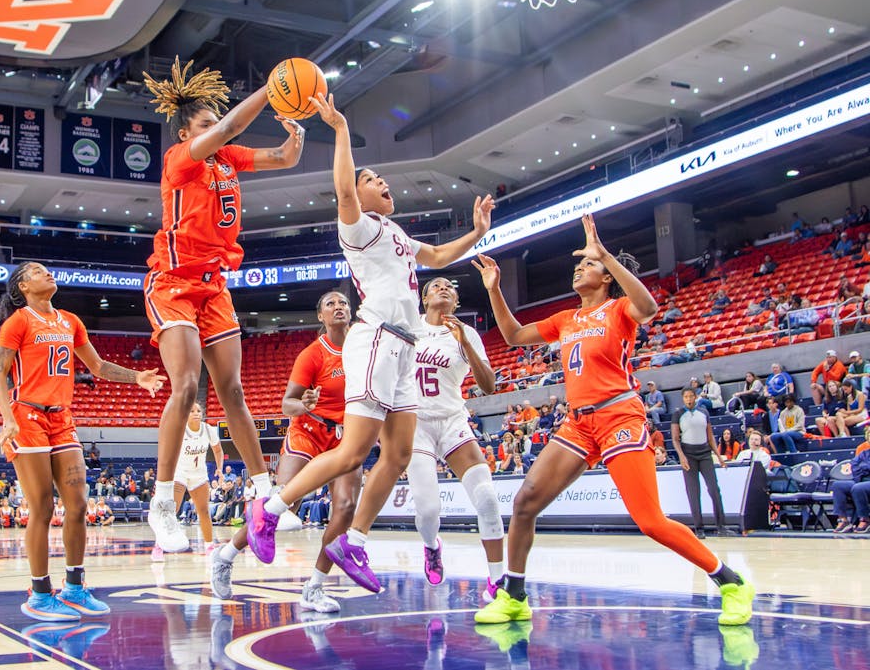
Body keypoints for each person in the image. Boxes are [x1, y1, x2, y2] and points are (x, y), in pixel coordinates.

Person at [244, 91, 496, 594]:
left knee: (398, 454)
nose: (382, 183)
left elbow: (440, 254)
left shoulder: (396, 231)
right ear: (360, 195)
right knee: (355, 450)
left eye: (381, 180)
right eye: (373, 180)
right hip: (378, 337)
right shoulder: (357, 228)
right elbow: (343, 189)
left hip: (402, 347)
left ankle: (352, 541)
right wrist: (338, 130)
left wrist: (476, 233)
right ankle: (267, 509)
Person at [471, 214, 753, 627]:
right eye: (580, 263)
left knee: (650, 521)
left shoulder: (620, 308)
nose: (578, 268)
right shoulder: (565, 320)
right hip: (578, 423)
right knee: (525, 501)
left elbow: (650, 307)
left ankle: (731, 583)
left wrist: (603, 252)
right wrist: (495, 290)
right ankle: (514, 595)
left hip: (618, 414)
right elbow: (513, 336)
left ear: (606, 277)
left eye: (588, 265)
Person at [141, 57, 305, 553]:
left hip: (214, 286)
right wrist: (274, 87)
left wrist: (294, 139)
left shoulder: (228, 160)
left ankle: (263, 490)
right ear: (188, 132)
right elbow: (234, 123)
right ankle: (163, 503)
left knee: (233, 390)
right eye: (206, 125)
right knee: (188, 386)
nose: (217, 130)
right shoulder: (180, 160)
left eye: (215, 124)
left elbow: (282, 159)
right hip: (172, 282)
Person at [0, 261, 166, 621]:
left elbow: (98, 367)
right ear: (23, 286)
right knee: (42, 508)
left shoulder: (70, 320)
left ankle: (74, 587)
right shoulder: (18, 321)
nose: (47, 273)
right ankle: (39, 593)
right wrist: (8, 419)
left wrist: (137, 378)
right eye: (37, 271)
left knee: (79, 505)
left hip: (62, 418)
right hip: (28, 417)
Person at [212, 291, 361, 613]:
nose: (338, 307)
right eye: (330, 303)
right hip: (309, 429)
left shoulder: (363, 347)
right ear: (320, 316)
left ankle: (315, 587)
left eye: (343, 303)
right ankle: (225, 556)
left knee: (346, 507)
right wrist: (304, 403)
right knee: (282, 501)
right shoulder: (312, 354)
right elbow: (287, 403)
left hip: (347, 435)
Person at [403, 277, 503, 598]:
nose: (443, 288)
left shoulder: (468, 333)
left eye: (449, 286)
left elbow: (489, 386)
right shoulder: (408, 326)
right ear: (424, 298)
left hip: (452, 421)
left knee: (487, 498)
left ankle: (498, 582)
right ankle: (432, 546)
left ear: (457, 300)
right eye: (436, 286)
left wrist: (467, 344)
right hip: (415, 425)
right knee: (429, 511)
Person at [152, 401, 224, 562]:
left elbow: (218, 450)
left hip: (199, 474)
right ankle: (158, 546)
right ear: (186, 414)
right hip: (180, 473)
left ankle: (209, 546)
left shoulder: (208, 430)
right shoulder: (180, 430)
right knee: (170, 512)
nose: (196, 413)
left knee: (204, 511)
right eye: (192, 411)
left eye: (198, 410)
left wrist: (219, 468)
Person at [671, 388, 728, 539]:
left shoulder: (704, 412)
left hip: (704, 454)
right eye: (686, 397)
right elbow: (675, 439)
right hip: (688, 454)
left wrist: (719, 456)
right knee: (693, 492)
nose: (689, 399)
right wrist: (681, 456)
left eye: (691, 396)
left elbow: (710, 437)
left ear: (695, 397)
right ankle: (699, 528)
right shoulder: (678, 414)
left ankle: (721, 526)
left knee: (714, 489)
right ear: (683, 399)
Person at [832, 429, 870, 533]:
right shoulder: (864, 453)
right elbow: (854, 465)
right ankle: (844, 520)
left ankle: (865, 519)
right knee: (838, 485)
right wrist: (864, 471)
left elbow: (863, 466)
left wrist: (864, 468)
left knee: (858, 488)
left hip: (864, 482)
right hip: (861, 480)